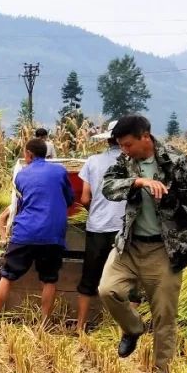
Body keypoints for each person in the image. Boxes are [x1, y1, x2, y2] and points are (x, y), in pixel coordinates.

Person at [99, 115, 187, 373]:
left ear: (145, 138)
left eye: (128, 145)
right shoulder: (126, 162)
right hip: (129, 244)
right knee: (107, 290)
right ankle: (133, 328)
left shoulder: (176, 161)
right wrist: (137, 182)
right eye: (121, 146)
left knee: (164, 316)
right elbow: (107, 188)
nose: (124, 150)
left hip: (164, 250)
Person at [0, 138, 74, 330]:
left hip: (26, 232)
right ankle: (44, 323)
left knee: (7, 275)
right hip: (53, 234)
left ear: (29, 155)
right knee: (49, 279)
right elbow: (69, 199)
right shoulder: (59, 171)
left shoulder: (22, 175)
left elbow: (20, 204)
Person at [75, 120, 128, 334]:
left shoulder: (92, 161)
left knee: (89, 279)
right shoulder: (133, 162)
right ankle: (122, 330)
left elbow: (85, 197)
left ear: (107, 140)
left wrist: (96, 211)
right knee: (125, 279)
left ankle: (80, 326)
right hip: (124, 229)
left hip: (97, 227)